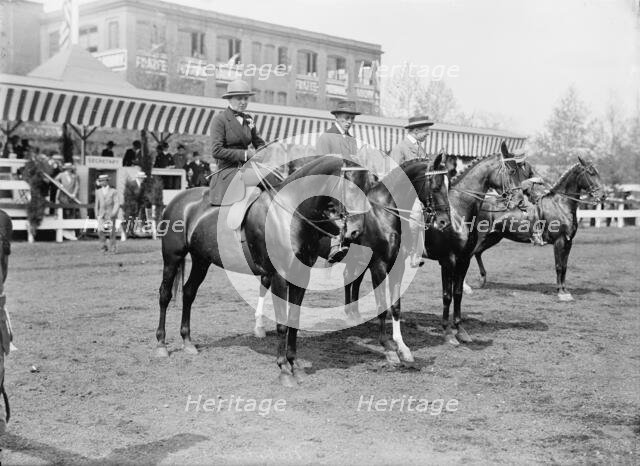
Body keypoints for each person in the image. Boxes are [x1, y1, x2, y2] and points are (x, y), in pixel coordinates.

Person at [315, 99, 361, 263]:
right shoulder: (326, 138)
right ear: (337, 117)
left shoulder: (352, 140)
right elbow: (321, 167)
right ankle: (335, 245)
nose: (349, 121)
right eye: (346, 118)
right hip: (330, 187)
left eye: (352, 118)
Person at [209, 79, 265, 205]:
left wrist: (263, 150)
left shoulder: (249, 119)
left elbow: (259, 142)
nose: (243, 102)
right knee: (257, 190)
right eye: (239, 98)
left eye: (246, 98)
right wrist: (246, 154)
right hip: (228, 171)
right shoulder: (220, 120)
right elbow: (216, 151)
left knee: (274, 178)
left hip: (247, 169)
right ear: (229, 99)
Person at [390, 115, 434, 267]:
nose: (428, 133)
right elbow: (392, 173)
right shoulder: (400, 148)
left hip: (419, 194)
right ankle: (414, 253)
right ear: (416, 131)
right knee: (416, 213)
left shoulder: (420, 148)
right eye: (426, 131)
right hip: (404, 194)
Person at [510, 149, 545, 246]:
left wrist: (536, 180)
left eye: (520, 161)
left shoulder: (528, 166)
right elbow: (516, 184)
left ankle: (544, 231)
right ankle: (535, 236)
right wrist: (530, 181)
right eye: (518, 161)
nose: (519, 163)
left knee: (544, 202)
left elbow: (537, 177)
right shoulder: (513, 168)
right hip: (518, 194)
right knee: (531, 208)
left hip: (530, 193)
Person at [95, 174, 120, 253]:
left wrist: (114, 212)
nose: (102, 182)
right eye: (100, 181)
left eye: (103, 181)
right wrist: (96, 214)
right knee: (100, 231)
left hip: (110, 214)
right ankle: (103, 247)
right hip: (101, 214)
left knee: (111, 232)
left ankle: (113, 248)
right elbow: (97, 204)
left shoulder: (113, 191)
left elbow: (116, 203)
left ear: (107, 181)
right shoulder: (98, 192)